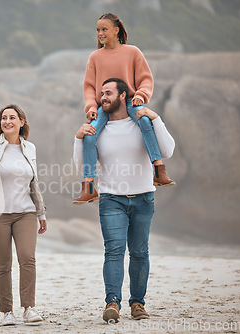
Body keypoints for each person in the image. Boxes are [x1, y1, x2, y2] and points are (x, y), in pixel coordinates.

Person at [73, 78, 175, 323]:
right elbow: (81, 164)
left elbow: (168, 150)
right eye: (101, 94)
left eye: (108, 93)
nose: (102, 98)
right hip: (111, 199)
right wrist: (78, 138)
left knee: (140, 252)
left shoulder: (141, 124)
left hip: (143, 197)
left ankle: (137, 303)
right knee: (114, 252)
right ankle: (112, 302)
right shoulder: (98, 127)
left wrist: (156, 118)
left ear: (122, 95)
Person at [73, 12, 175, 205]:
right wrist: (91, 107)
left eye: (104, 29)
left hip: (130, 100)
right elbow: (88, 86)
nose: (100, 34)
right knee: (90, 135)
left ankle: (159, 171)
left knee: (145, 122)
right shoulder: (95, 57)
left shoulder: (133, 52)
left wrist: (140, 95)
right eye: (97, 30)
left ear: (116, 30)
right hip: (105, 104)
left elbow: (145, 79)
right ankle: (89, 187)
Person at [0, 104, 47, 326]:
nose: (7, 121)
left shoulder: (30, 148)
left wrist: (41, 213)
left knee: (27, 258)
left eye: (12, 117)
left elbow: (34, 183)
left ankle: (28, 308)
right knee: (3, 264)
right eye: (3, 118)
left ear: (21, 122)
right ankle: (6, 312)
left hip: (25, 213)